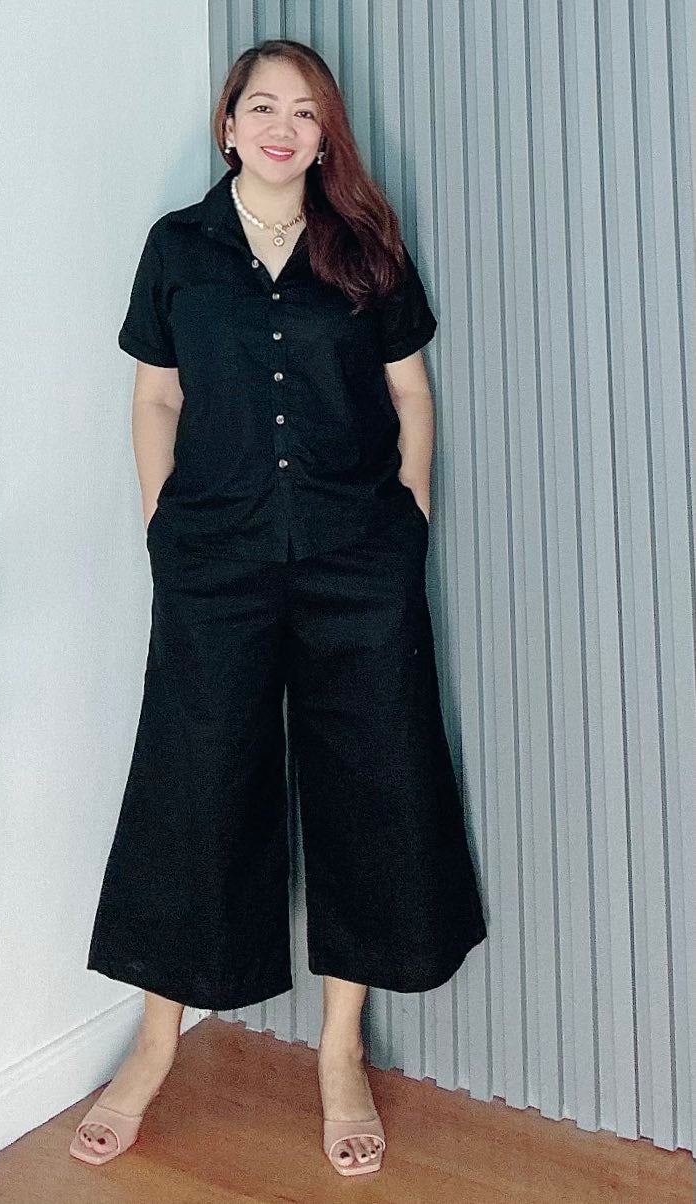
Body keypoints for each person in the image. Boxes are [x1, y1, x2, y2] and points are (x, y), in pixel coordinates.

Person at [70, 38, 487, 1179]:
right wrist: (164, 526)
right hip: (215, 559)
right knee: (193, 782)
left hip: (358, 559)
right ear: (228, 125)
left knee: (371, 784)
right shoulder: (178, 249)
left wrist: (408, 522)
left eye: (304, 112)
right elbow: (156, 398)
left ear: (323, 135)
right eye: (262, 106)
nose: (281, 127)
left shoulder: (366, 247)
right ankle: (155, 1045)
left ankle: (340, 1051)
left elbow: (410, 392)